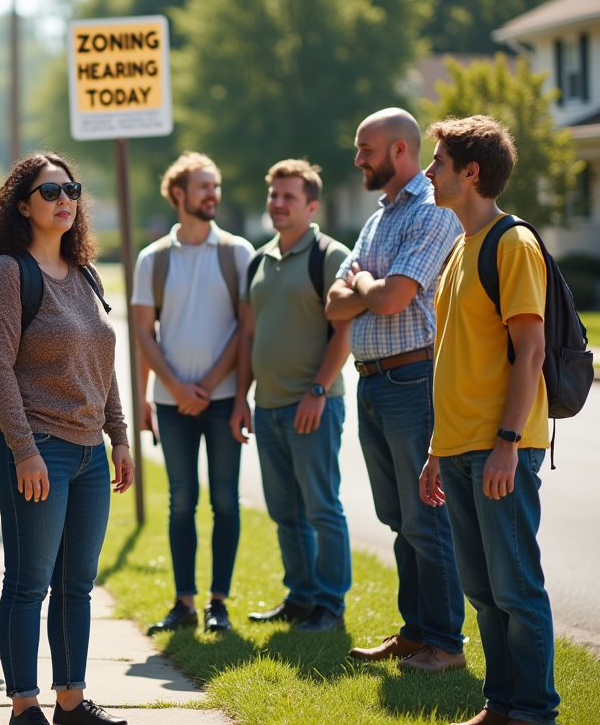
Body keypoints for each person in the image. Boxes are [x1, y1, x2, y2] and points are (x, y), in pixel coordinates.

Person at [0, 153, 135, 725]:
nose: (64, 199)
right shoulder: (7, 275)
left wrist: (118, 434)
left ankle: (70, 700)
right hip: (36, 447)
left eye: (71, 189)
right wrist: (23, 449)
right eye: (49, 192)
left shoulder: (85, 272)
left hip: (90, 451)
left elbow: (103, 360)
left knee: (76, 585)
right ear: (22, 206)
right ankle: (24, 707)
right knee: (28, 583)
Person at [420, 116, 559, 725]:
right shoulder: (459, 247)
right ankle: (500, 707)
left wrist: (507, 441)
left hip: (500, 447)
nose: (429, 172)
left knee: (517, 591)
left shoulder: (512, 243)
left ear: (470, 172)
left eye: (439, 162)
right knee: (482, 592)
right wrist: (434, 449)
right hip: (457, 446)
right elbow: (455, 355)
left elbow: (530, 350)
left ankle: (533, 711)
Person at [324, 107, 466, 671]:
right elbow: (333, 305)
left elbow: (389, 299)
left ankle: (446, 644)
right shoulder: (379, 216)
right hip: (373, 381)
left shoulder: (431, 214)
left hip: (413, 378)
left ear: (399, 151)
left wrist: (360, 279)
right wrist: (367, 285)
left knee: (426, 516)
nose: (358, 158)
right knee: (397, 517)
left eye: (366, 149)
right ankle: (415, 632)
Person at [231, 160, 354, 632]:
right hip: (268, 408)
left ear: (311, 205)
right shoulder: (259, 261)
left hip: (315, 406)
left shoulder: (329, 255)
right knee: (285, 511)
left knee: (322, 506)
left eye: (289, 197)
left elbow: (344, 331)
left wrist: (318, 391)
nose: (278, 204)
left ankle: (330, 605)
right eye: (274, 196)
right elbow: (247, 335)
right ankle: (301, 597)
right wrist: (242, 397)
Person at [130, 152, 250, 635]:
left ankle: (218, 603)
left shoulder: (238, 252)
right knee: (182, 501)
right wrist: (162, 391)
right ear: (178, 194)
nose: (213, 195)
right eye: (204, 186)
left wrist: (209, 385)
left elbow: (246, 328)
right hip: (171, 404)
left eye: (216, 186)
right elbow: (142, 333)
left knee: (225, 501)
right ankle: (183, 603)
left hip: (222, 400)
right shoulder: (152, 259)